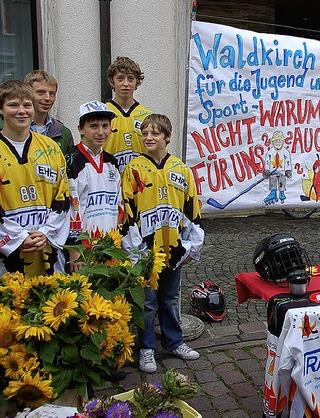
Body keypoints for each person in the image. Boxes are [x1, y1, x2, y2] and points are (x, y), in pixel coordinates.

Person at [121, 114, 204, 373]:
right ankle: (146, 348)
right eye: (144, 133)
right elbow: (127, 210)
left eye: (155, 133)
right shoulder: (133, 169)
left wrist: (193, 245)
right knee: (146, 302)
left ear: (167, 137)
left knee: (169, 298)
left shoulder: (181, 169)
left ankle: (174, 341)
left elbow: (192, 210)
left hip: (173, 250)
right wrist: (135, 251)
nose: (148, 138)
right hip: (146, 251)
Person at [0, 80, 70, 277]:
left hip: (47, 251)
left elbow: (63, 197)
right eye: (13, 105)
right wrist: (19, 237)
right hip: (7, 257)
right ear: (1, 109)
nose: (21, 111)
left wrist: (47, 232)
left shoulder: (50, 147)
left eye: (27, 105)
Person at [65, 101, 120, 272]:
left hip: (109, 247)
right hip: (83, 250)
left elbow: (119, 204)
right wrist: (75, 249)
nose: (101, 132)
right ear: (81, 129)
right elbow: (69, 209)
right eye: (94, 126)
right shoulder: (71, 160)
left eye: (105, 126)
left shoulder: (112, 161)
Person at [0, 70, 74, 153]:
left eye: (52, 93)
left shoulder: (64, 132)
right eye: (41, 92)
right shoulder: (4, 127)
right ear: (27, 93)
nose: (47, 98)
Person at [105, 56, 153, 172]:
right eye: (120, 78)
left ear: (137, 82)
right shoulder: (103, 113)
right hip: (110, 182)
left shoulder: (148, 116)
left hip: (141, 182)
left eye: (130, 79)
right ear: (112, 81)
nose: (125, 84)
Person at [262, 131, 292, 205]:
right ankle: (273, 192)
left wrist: (288, 170)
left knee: (282, 180)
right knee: (273, 180)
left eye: (279, 141)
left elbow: (287, 161)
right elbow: (267, 162)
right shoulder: (270, 152)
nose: (278, 143)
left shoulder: (286, 152)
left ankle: (282, 192)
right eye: (276, 141)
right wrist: (267, 170)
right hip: (273, 172)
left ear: (282, 142)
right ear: (273, 142)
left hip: (282, 171)